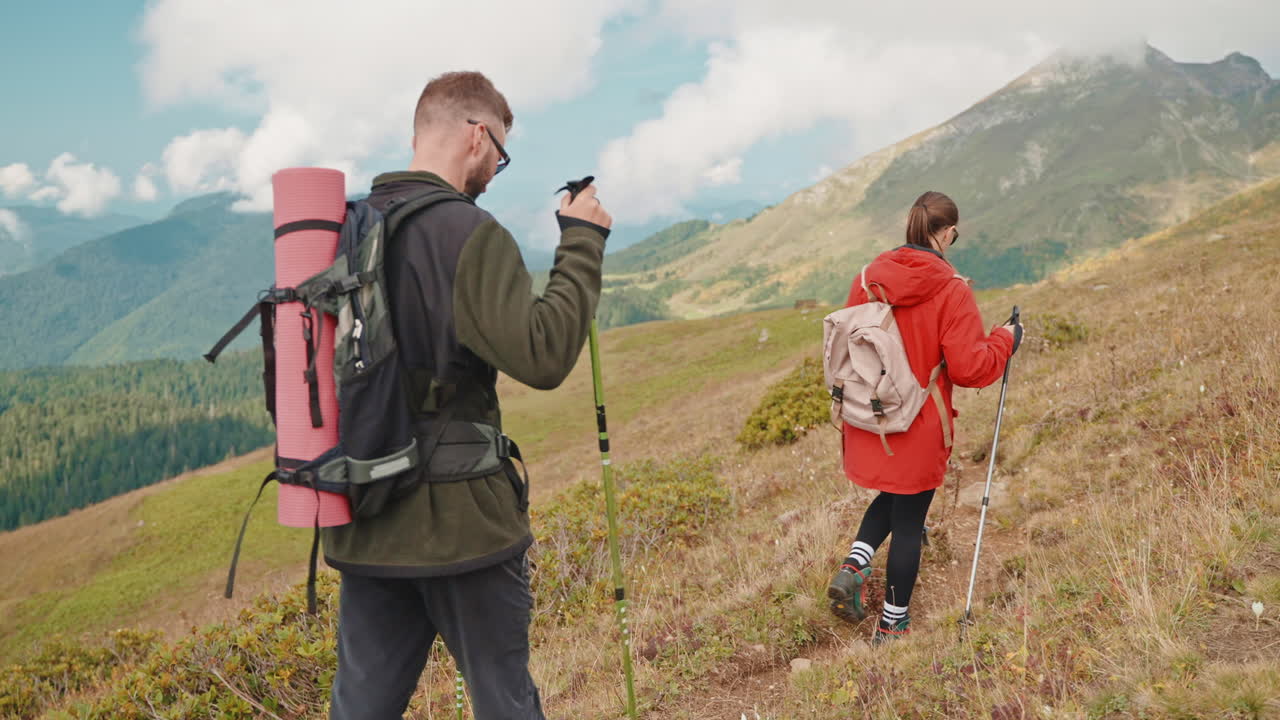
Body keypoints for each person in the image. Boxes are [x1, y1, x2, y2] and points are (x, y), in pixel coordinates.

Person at [322, 71, 611, 719]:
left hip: (366, 515)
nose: (496, 169)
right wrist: (583, 242)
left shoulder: (349, 227)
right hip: (464, 528)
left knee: (360, 707)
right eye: (501, 155)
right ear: (477, 136)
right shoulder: (466, 232)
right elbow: (541, 354)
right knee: (504, 700)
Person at [825, 190, 1021, 645]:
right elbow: (971, 369)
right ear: (948, 232)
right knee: (911, 516)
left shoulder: (868, 277)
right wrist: (1005, 339)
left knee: (891, 497)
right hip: (917, 421)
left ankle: (854, 565)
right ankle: (892, 626)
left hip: (871, 414)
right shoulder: (952, 288)